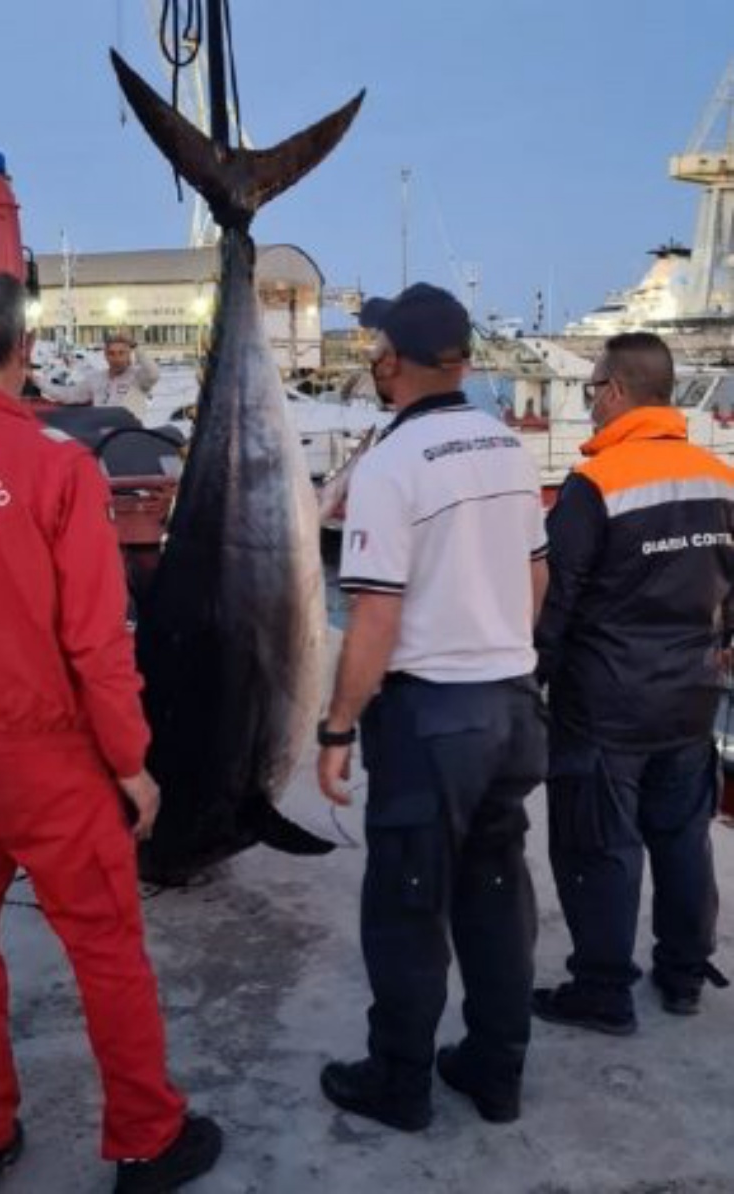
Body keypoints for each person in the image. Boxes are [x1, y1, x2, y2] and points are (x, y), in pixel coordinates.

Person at [0, 272, 222, 1194]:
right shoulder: (60, 468)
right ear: (24, 349)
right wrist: (132, 764)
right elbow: (96, 639)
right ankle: (147, 1138)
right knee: (105, 950)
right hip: (48, 760)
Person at [317, 283, 549, 1132]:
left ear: (389, 363)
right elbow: (534, 575)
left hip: (431, 722)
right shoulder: (506, 447)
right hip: (512, 707)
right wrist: (496, 651)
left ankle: (400, 1081)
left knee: (408, 906)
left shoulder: (390, 464)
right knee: (493, 892)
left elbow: (374, 615)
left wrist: (337, 727)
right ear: (462, 360)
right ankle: (496, 1072)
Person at [533, 331, 734, 1036]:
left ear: (616, 392)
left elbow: (557, 599)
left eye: (591, 390)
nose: (588, 405)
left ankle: (601, 989)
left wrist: (533, 679)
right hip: (690, 699)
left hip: (606, 706)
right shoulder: (718, 476)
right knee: (681, 839)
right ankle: (681, 974)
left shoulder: (596, 486)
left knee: (599, 847)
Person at [46, 331, 160, 423]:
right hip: (101, 439)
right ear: (106, 355)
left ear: (129, 354)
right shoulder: (96, 378)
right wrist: (36, 379)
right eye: (112, 353)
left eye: (121, 353)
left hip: (129, 436)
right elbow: (67, 395)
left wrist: (135, 346)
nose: (117, 358)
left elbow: (153, 373)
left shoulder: (138, 377)